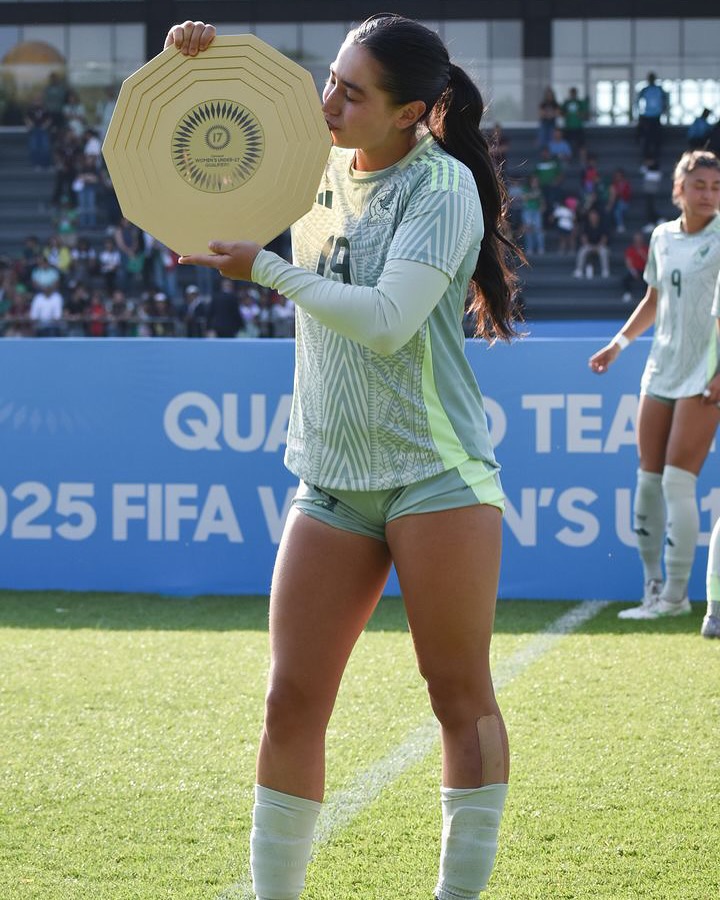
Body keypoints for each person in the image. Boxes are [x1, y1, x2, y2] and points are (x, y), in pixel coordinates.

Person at [167, 14, 521, 900]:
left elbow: (387, 322)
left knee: (457, 698)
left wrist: (269, 272)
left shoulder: (442, 189)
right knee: (290, 702)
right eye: (329, 78)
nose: (327, 101)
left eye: (351, 91)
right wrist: (203, 69)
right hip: (327, 479)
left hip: (435, 477)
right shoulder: (312, 158)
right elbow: (202, 161)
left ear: (411, 114)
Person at [589, 150, 720, 620]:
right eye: (700, 184)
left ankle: (677, 597)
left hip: (704, 374)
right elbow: (653, 299)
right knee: (648, 480)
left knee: (679, 483)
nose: (708, 194)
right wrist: (618, 344)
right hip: (660, 369)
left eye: (716, 186)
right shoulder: (662, 237)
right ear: (679, 189)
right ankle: (652, 589)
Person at [636, 72, 669, 162]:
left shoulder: (659, 89)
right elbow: (637, 102)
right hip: (647, 117)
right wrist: (639, 114)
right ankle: (647, 157)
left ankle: (655, 156)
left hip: (656, 116)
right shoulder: (645, 90)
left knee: (656, 137)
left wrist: (664, 112)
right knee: (647, 138)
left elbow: (665, 101)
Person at [573, 208, 610, 279]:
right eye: (591, 216)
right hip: (589, 246)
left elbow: (604, 239)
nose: (593, 218)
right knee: (582, 251)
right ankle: (579, 270)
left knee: (604, 251)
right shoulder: (585, 226)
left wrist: (597, 247)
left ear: (598, 217)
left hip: (600, 246)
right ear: (589, 217)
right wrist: (590, 246)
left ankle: (605, 271)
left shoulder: (602, 225)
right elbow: (583, 239)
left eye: (594, 216)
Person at [561, 87, 589, 163]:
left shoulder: (580, 103)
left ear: (576, 93)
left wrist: (580, 114)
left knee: (582, 145)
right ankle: (566, 160)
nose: (573, 94)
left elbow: (585, 115)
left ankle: (582, 161)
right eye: (572, 93)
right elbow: (561, 113)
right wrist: (567, 114)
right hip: (568, 127)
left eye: (574, 93)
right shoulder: (566, 103)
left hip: (578, 127)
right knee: (565, 145)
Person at [621, 231, 649, 302]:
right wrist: (633, 271)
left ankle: (646, 295)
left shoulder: (646, 249)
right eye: (636, 239)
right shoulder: (630, 249)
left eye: (639, 239)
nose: (638, 241)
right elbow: (628, 262)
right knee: (625, 278)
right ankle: (627, 293)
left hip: (644, 269)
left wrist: (642, 254)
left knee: (649, 278)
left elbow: (649, 262)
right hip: (634, 270)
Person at [537, 86, 561, 150]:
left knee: (552, 139)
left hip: (552, 123)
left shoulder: (555, 104)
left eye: (550, 95)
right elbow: (541, 114)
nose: (549, 96)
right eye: (548, 95)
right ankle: (543, 153)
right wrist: (550, 114)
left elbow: (557, 114)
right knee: (542, 138)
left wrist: (548, 114)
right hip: (544, 123)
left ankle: (550, 152)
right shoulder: (543, 104)